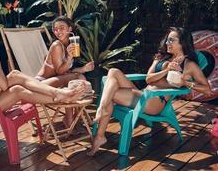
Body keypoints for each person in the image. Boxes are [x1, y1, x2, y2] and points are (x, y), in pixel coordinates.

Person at [87, 27, 212, 156]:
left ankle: (100, 125)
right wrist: (166, 70)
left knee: (111, 93)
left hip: (154, 101)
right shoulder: (161, 57)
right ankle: (101, 122)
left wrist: (186, 82)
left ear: (182, 43)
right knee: (113, 72)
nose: (167, 43)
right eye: (167, 39)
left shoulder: (189, 65)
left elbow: (207, 89)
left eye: (171, 40)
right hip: (142, 93)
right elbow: (148, 79)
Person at [0, 24, 85, 122]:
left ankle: (59, 94)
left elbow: (3, 87)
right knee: (17, 91)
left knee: (14, 74)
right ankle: (61, 96)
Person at [36, 16, 95, 127]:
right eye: (55, 29)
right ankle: (73, 119)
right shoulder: (56, 45)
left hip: (57, 82)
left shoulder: (70, 45)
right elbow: (60, 71)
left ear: (70, 29)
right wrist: (69, 58)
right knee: (78, 78)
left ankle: (73, 118)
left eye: (62, 28)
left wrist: (84, 68)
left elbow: (67, 71)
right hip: (42, 84)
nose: (58, 31)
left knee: (76, 80)